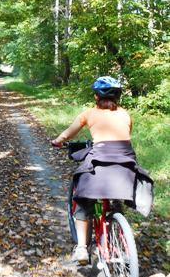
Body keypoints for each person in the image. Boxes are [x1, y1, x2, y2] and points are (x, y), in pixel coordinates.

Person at [52, 76, 149, 265]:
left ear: (96, 97)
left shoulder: (88, 113)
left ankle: (81, 248)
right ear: (118, 97)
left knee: (81, 200)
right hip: (126, 165)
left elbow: (68, 133)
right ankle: (116, 219)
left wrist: (58, 140)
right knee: (115, 196)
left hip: (100, 162)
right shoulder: (126, 114)